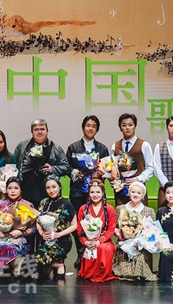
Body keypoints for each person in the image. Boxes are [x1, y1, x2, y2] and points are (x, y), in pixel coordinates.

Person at [66, 115, 109, 268]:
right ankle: (81, 252)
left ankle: (95, 253)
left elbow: (108, 169)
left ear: (97, 129)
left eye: (94, 126)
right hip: (78, 191)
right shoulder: (73, 148)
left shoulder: (102, 148)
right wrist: (75, 173)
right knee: (79, 222)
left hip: (96, 191)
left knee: (97, 221)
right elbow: (67, 167)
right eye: (88, 125)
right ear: (83, 127)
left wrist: (101, 172)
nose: (90, 128)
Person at [14, 119, 71, 208]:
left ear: (47, 131)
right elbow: (14, 167)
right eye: (36, 129)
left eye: (42, 129)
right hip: (26, 193)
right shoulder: (22, 146)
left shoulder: (56, 148)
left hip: (49, 193)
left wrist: (52, 169)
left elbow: (66, 167)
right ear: (32, 132)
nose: (39, 132)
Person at [0, 176, 35, 275]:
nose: (13, 191)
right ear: (6, 190)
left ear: (21, 190)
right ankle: (12, 263)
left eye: (16, 188)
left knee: (5, 248)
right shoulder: (1, 205)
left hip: (20, 241)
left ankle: (17, 263)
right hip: (2, 239)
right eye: (10, 188)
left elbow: (34, 228)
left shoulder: (27, 205)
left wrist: (20, 232)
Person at [112, 181, 157, 281]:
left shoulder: (149, 211)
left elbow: (152, 231)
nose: (135, 195)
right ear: (129, 193)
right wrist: (119, 234)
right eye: (133, 192)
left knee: (140, 259)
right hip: (124, 243)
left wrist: (141, 242)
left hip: (141, 246)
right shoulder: (120, 208)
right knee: (124, 268)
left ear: (143, 195)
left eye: (139, 193)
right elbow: (114, 227)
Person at [35, 175, 78, 280]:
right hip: (45, 240)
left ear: (60, 187)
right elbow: (37, 222)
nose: (51, 190)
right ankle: (57, 264)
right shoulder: (43, 202)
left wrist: (58, 234)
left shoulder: (66, 204)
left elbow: (74, 225)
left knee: (39, 259)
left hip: (61, 241)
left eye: (54, 187)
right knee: (36, 267)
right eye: (48, 188)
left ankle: (57, 264)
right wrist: (41, 233)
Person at [110, 113, 155, 206]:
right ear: (120, 128)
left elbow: (151, 167)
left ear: (135, 126)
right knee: (121, 214)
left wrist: (138, 179)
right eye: (124, 125)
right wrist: (112, 180)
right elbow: (112, 168)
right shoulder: (115, 146)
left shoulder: (144, 145)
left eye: (130, 125)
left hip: (138, 190)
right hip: (121, 192)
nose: (127, 128)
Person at [77, 179, 117, 282]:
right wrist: (85, 242)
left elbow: (111, 229)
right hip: (89, 241)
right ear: (88, 193)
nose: (95, 195)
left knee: (103, 248)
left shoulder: (109, 209)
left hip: (104, 241)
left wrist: (99, 241)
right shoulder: (83, 209)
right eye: (92, 192)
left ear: (103, 193)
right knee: (91, 249)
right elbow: (79, 229)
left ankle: (103, 273)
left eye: (98, 192)